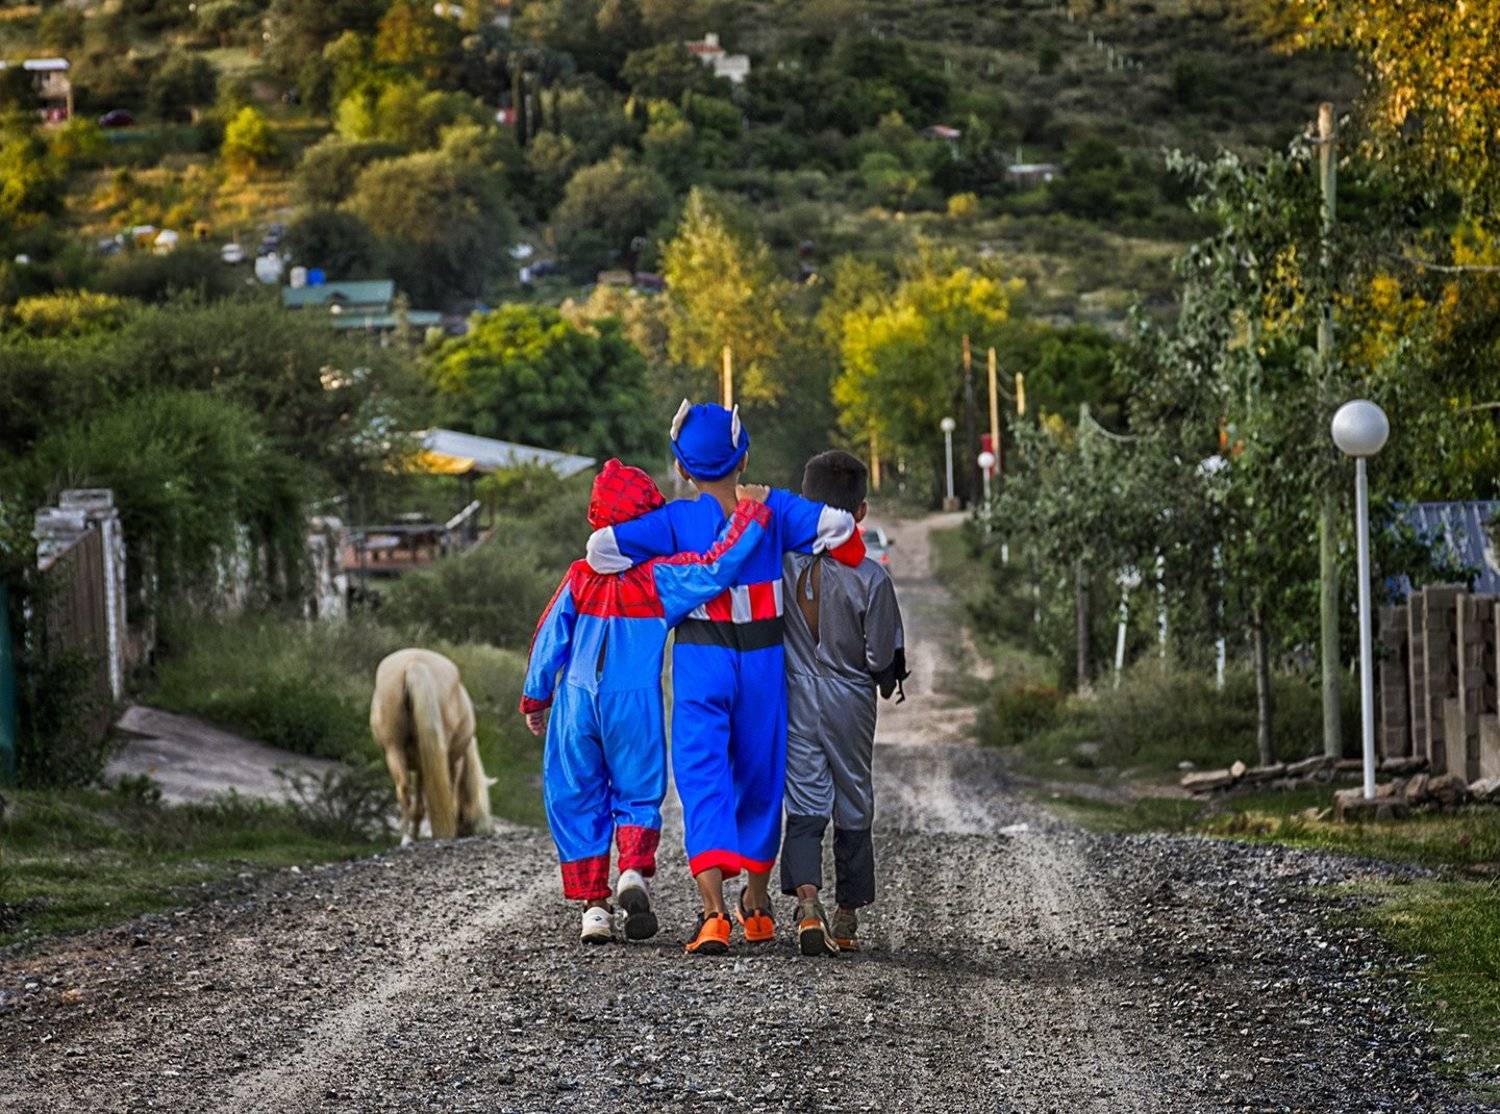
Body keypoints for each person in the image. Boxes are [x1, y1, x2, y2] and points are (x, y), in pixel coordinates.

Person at [585, 402, 864, 955]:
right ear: (744, 459)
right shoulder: (775, 509)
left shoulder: (672, 522)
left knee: (702, 779)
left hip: (700, 660)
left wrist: (661, 569)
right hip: (763, 663)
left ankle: (714, 915)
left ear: (681, 468)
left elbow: (600, 551)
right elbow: (841, 528)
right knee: (760, 778)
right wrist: (767, 507)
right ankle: (756, 907)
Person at [521, 458, 773, 945]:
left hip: (575, 700)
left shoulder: (579, 576)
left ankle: (595, 909)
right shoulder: (659, 578)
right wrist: (750, 515)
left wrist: (536, 695)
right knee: (637, 792)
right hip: (633, 701)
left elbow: (550, 634)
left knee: (576, 795)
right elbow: (716, 568)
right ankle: (633, 871)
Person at [780, 451, 906, 955]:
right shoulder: (871, 577)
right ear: (861, 512)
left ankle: (808, 906)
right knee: (853, 796)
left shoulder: (782, 564)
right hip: (851, 698)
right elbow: (881, 656)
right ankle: (847, 914)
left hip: (795, 693)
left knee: (804, 800)